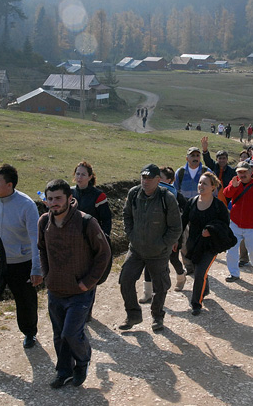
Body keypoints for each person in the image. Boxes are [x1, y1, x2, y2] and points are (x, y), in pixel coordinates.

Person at [38, 179, 110, 389]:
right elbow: (41, 249)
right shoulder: (44, 222)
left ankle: (83, 361)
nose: (54, 203)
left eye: (58, 198)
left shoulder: (86, 222)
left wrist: (88, 283)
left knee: (71, 334)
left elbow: (103, 254)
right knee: (59, 336)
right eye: (50, 199)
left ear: (70, 199)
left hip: (80, 292)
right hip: (55, 290)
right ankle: (64, 372)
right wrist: (46, 275)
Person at [0, 164, 42, 360]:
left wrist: (36, 267)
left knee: (25, 301)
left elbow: (36, 239)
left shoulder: (26, 205)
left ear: (9, 185)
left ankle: (29, 332)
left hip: (21, 263)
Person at [119, 164, 182, 332]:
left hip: (158, 253)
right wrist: (131, 236)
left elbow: (176, 227)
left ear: (158, 180)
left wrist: (162, 245)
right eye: (143, 177)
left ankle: (157, 317)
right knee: (125, 280)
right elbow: (127, 215)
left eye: (149, 178)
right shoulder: (134, 193)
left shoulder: (166, 198)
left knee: (160, 286)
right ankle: (133, 315)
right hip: (136, 249)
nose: (145, 181)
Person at [182, 172, 233, 315]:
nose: (201, 186)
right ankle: (205, 289)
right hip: (194, 245)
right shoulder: (191, 202)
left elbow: (225, 226)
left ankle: (196, 303)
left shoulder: (218, 206)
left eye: (205, 183)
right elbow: (182, 222)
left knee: (199, 273)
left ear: (213, 187)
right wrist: (176, 241)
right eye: (200, 182)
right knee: (199, 269)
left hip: (211, 246)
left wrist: (211, 230)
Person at [71, 161, 112, 320]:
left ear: (90, 177)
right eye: (77, 173)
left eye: (83, 174)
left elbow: (106, 219)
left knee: (89, 277)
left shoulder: (98, 195)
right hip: (72, 241)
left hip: (91, 243)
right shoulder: (69, 192)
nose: (79, 177)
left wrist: (104, 239)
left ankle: (86, 310)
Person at [223, 162, 253, 281]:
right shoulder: (235, 183)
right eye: (240, 172)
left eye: (245, 172)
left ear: (251, 172)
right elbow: (226, 194)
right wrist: (232, 187)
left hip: (252, 227)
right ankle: (234, 273)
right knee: (231, 251)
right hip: (235, 224)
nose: (242, 175)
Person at [201, 136, 235, 203]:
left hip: (226, 200)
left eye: (224, 158)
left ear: (227, 159)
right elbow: (207, 160)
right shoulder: (213, 166)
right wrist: (205, 149)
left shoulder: (231, 171)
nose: (222, 160)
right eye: (220, 158)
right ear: (216, 159)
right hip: (212, 198)